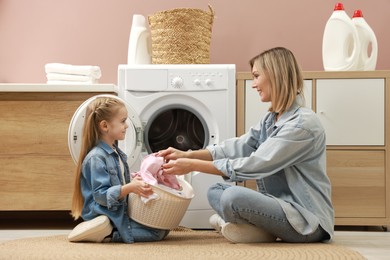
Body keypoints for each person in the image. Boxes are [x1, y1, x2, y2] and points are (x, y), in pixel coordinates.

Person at [159, 47, 334, 244]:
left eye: (257, 76)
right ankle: (258, 231)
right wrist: (187, 155)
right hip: (279, 208)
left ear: (275, 75)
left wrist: (191, 166)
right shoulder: (271, 119)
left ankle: (248, 228)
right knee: (216, 190)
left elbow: (255, 165)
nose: (254, 85)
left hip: (306, 220)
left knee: (233, 196)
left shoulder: (302, 125)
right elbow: (237, 146)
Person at [68, 96, 169, 243]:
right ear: (105, 126)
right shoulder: (96, 158)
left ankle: (109, 231)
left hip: (116, 209)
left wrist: (134, 181)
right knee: (156, 233)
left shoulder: (116, 153)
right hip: (103, 213)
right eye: (122, 121)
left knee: (163, 227)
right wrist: (129, 187)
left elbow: (119, 181)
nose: (127, 125)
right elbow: (101, 195)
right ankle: (108, 235)